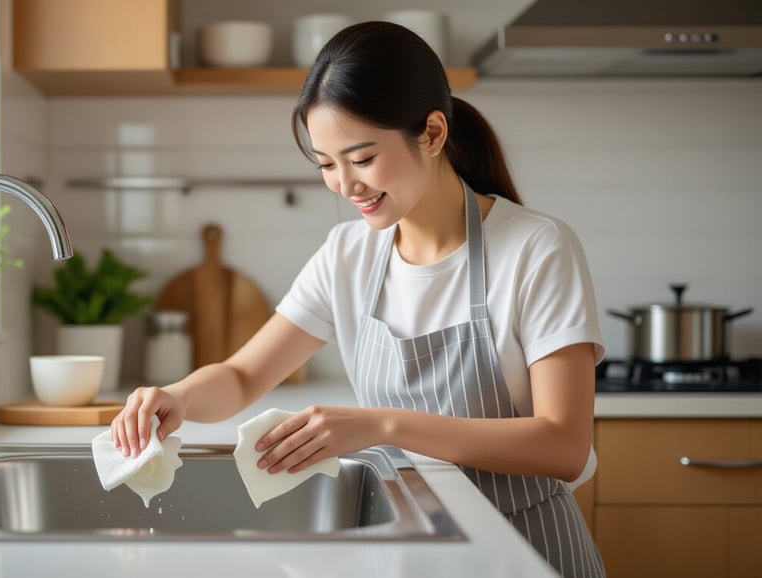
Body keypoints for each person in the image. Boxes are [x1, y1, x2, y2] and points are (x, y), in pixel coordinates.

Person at [112, 21, 605, 578]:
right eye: (326, 164)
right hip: (412, 552)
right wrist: (177, 397)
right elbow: (243, 376)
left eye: (363, 158)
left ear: (433, 133)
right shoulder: (348, 253)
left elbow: (564, 446)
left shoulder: (536, 247)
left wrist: (382, 426)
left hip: (526, 552)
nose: (346, 185)